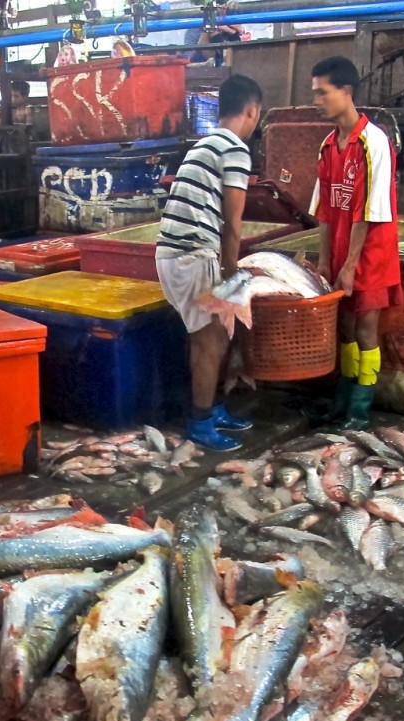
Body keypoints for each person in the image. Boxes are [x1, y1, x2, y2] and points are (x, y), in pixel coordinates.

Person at [155, 74, 262, 452]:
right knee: (209, 342)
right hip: (191, 256)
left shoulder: (207, 143)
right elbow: (232, 223)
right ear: (252, 110)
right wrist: (232, 276)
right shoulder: (234, 148)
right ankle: (199, 423)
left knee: (213, 335)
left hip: (179, 253)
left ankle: (212, 408)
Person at [308, 55, 402, 430]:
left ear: (345, 92)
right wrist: (325, 259)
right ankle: (342, 401)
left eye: (321, 92)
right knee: (344, 327)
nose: (316, 100)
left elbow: (370, 210)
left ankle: (360, 411)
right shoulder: (329, 145)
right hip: (341, 250)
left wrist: (349, 264)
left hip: (371, 253)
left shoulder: (373, 141)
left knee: (365, 328)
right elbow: (326, 210)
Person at [183, 0, 246, 66]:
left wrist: (227, 28)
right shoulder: (194, 28)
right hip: (204, 62)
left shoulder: (231, 21)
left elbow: (241, 33)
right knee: (210, 30)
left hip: (230, 59)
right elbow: (190, 56)